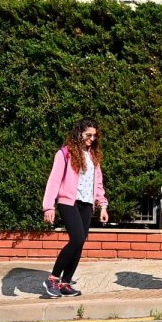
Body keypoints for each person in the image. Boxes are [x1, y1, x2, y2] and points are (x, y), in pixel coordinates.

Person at [41, 118, 108, 298]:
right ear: (79, 133)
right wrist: (48, 207)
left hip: (87, 204)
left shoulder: (93, 156)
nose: (92, 139)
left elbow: (98, 182)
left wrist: (102, 205)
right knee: (77, 239)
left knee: (80, 243)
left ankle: (65, 283)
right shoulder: (65, 153)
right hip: (68, 202)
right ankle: (53, 278)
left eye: (94, 136)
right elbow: (54, 180)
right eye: (88, 135)